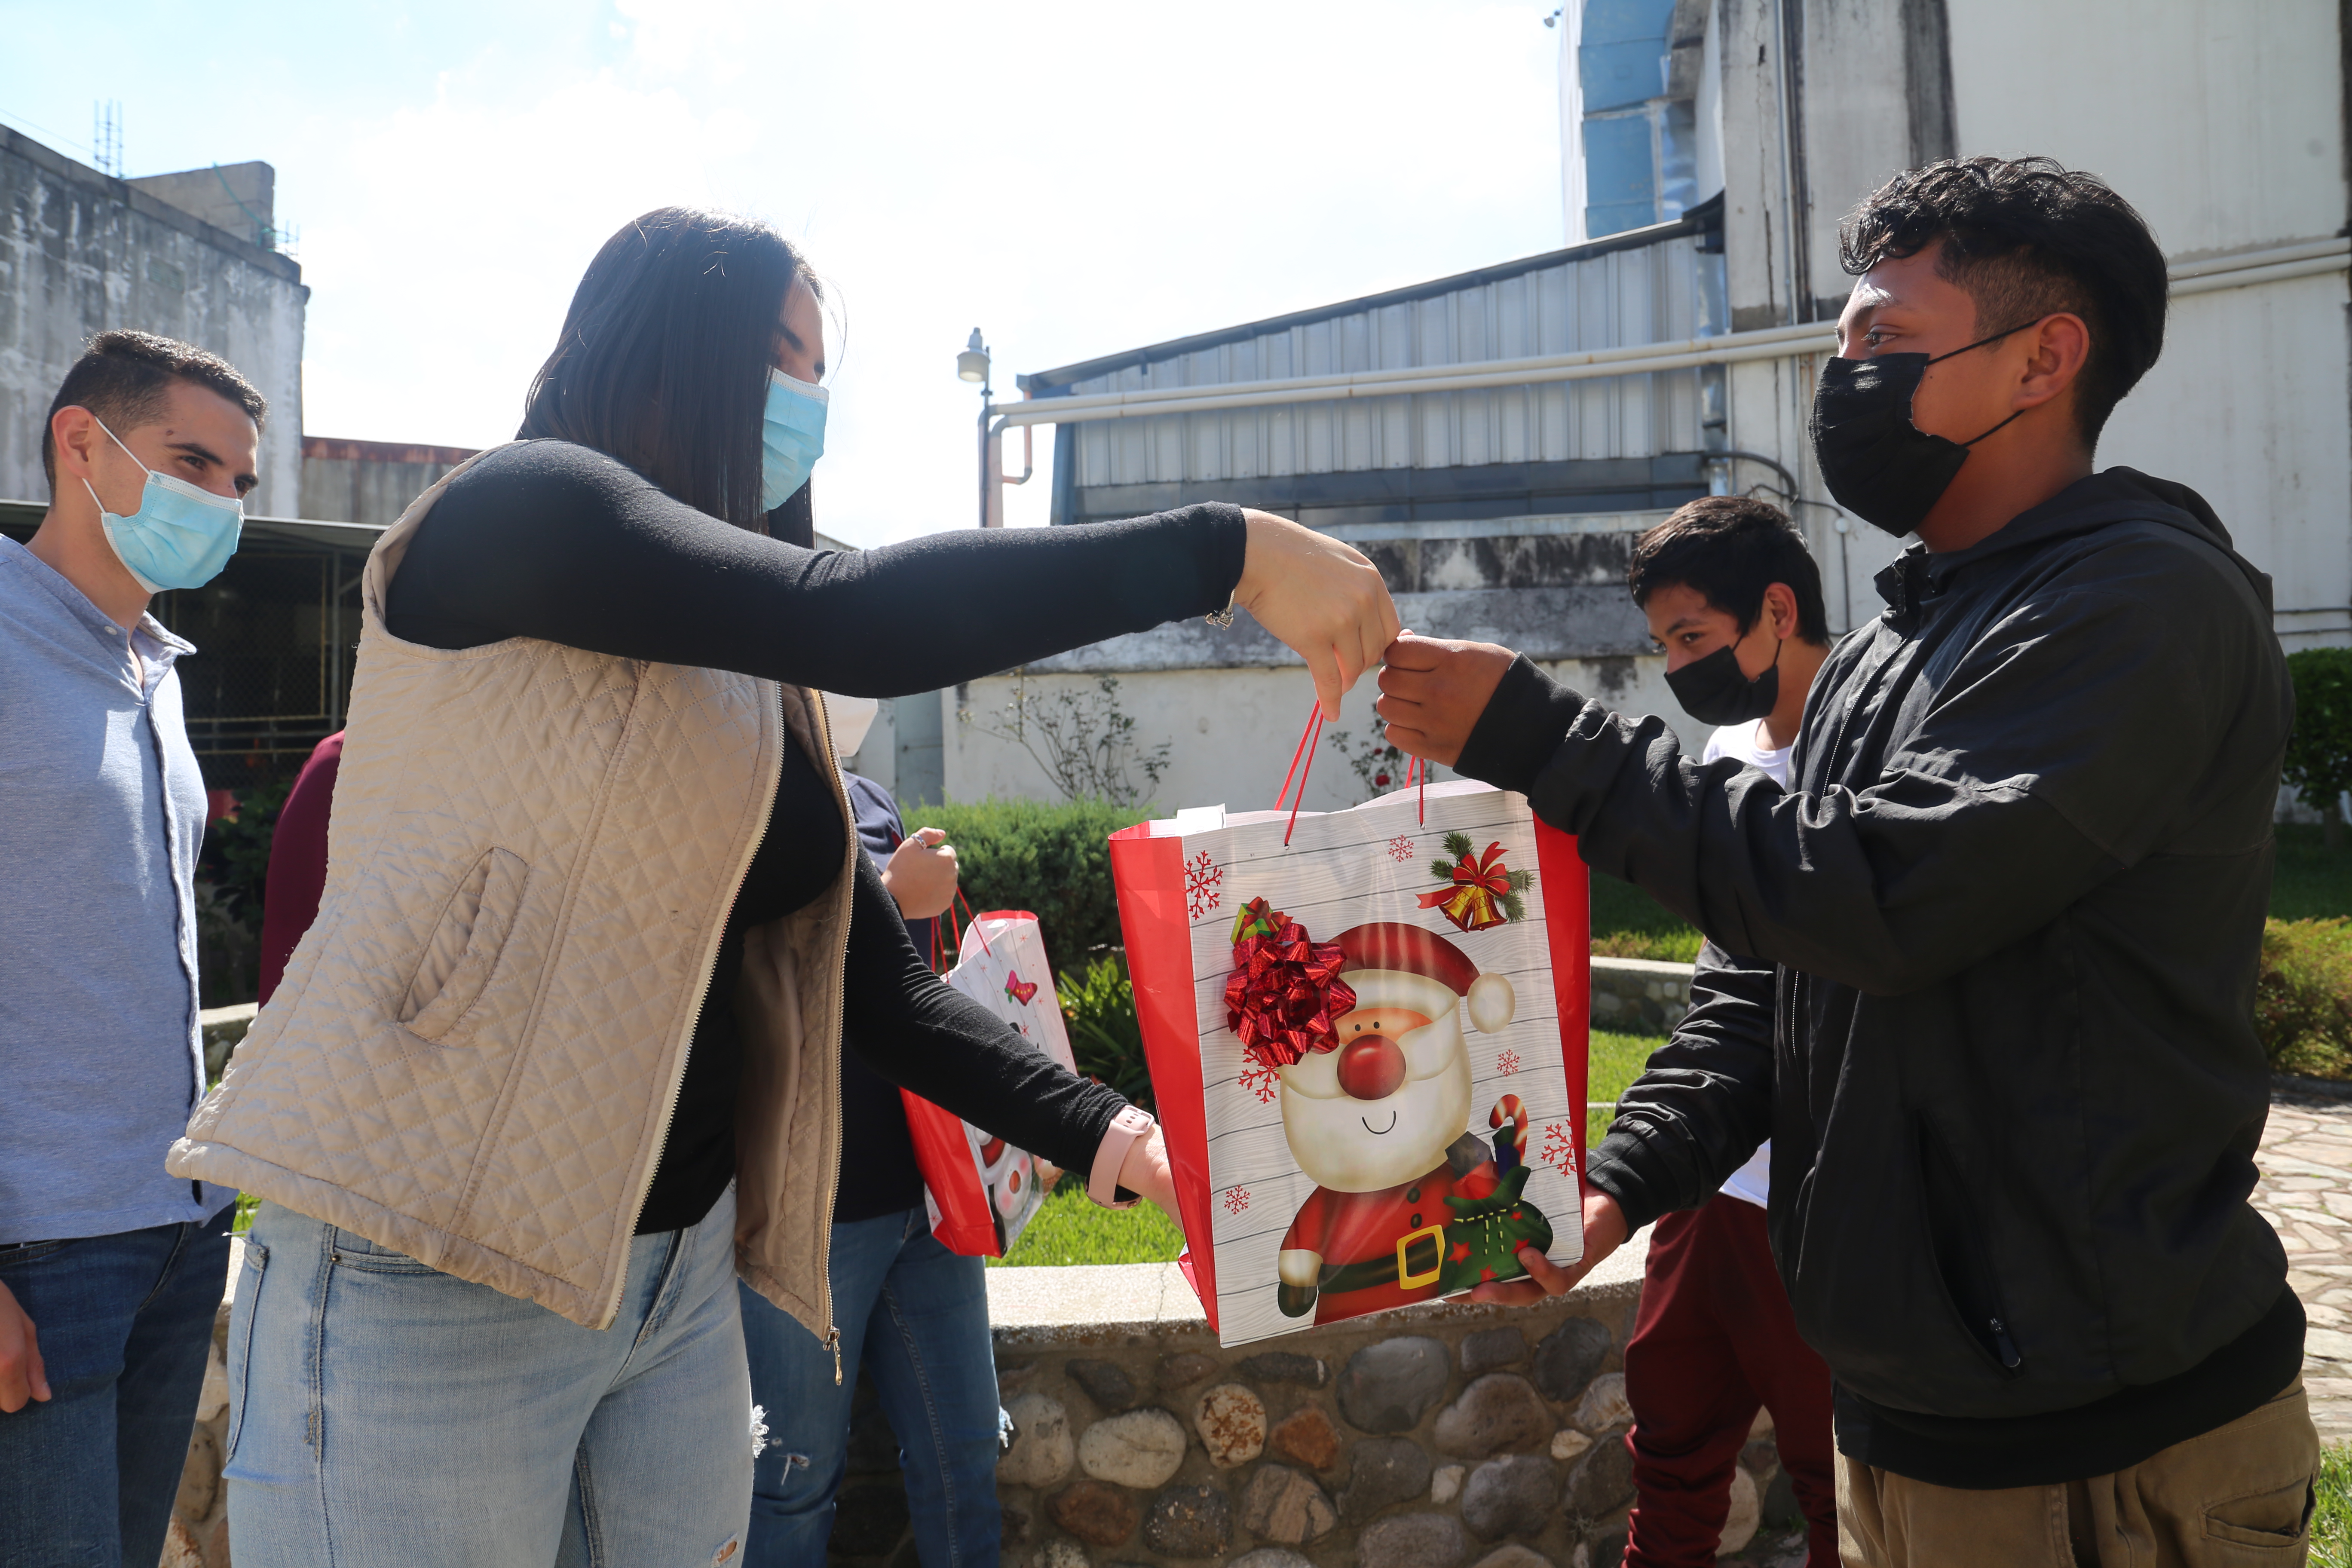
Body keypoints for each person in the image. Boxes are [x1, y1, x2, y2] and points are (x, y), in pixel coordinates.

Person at [165, 205, 1398, 1568]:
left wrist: (1120, 1139)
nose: (799, 396)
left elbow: (872, 981)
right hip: (428, 1272)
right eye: (772, 350)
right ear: (658, 346)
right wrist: (1223, 552)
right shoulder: (515, 509)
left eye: (816, 368)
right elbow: (850, 607)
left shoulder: (750, 688)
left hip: (672, 1285)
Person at [1377, 156, 2316, 1566]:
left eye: (1883, 338)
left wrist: (1542, 738)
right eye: (1840, 345)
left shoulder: (2137, 603)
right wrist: (1619, 1180)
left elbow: (1877, 893)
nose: (1842, 377)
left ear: (2042, 359)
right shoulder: (1893, 645)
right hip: (1907, 1421)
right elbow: (1775, 968)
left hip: (2104, 1451)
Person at [0, 331, 266, 1564]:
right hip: (40, 1253)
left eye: (239, 483)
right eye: (191, 463)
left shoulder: (157, 670)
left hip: (175, 1229)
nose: (219, 503)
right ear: (80, 444)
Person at [741, 690, 1010, 1565]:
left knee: (965, 1455)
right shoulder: (742, 799)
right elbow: (747, 982)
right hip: (808, 1218)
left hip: (928, 1201)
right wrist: (893, 893)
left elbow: (903, 999)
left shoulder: (874, 801)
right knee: (790, 1484)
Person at [1617, 496, 1837, 1567]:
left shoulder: (1879, 741)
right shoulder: (1728, 744)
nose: (1676, 665)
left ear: (1778, 610)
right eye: (1663, 645)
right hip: (1711, 1179)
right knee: (1668, 1452)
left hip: (1823, 1194)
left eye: (1692, 638)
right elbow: (1731, 979)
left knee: (1835, 1477)